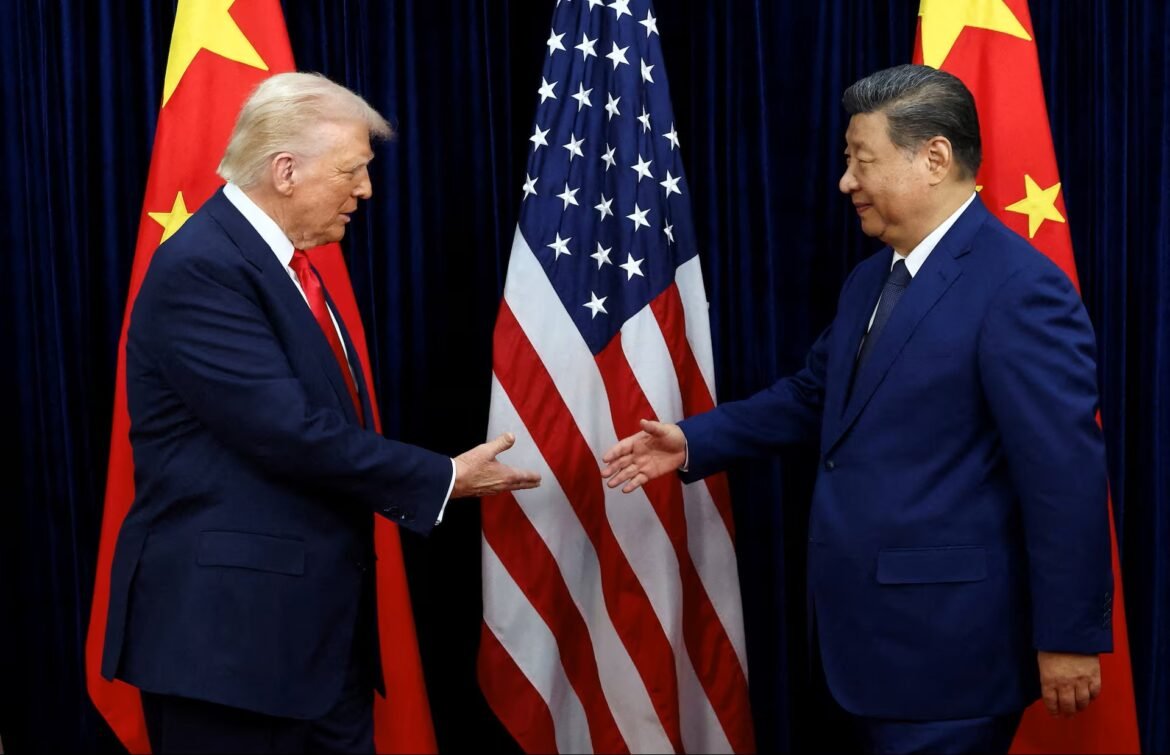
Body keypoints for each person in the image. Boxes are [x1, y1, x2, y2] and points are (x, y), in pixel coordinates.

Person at [601, 64, 1112, 754]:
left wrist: (1069, 636)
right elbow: (816, 396)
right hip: (861, 646)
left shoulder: (1020, 289)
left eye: (860, 160)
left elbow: (1065, 476)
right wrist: (693, 441)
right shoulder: (871, 277)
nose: (846, 182)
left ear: (933, 157)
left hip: (950, 657)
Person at [100, 72, 540, 754]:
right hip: (230, 652)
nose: (365, 191)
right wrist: (443, 477)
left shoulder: (284, 267)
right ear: (286, 170)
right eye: (354, 171)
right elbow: (289, 431)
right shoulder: (203, 267)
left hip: (310, 647)